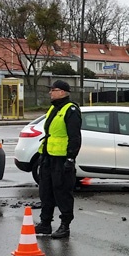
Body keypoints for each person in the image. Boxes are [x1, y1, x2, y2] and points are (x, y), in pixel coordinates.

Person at [36, 80, 82, 239]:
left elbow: (74, 137)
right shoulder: (54, 108)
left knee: (62, 192)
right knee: (45, 191)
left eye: (53, 90)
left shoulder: (71, 110)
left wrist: (70, 158)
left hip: (61, 159)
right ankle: (45, 223)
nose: (50, 92)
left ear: (62, 92)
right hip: (48, 157)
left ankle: (65, 226)